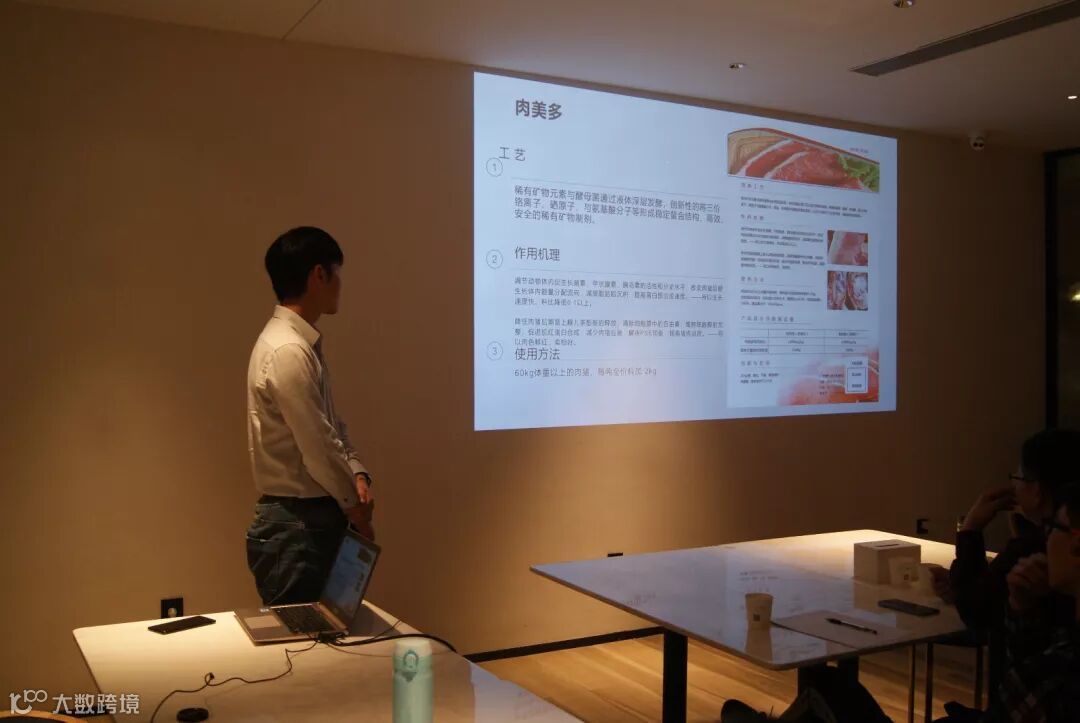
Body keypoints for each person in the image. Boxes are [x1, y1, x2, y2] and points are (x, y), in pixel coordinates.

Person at [245, 226, 375, 605]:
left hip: (304, 522)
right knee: (304, 635)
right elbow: (318, 444)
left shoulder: (299, 343)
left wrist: (357, 472)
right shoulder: (287, 349)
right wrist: (357, 509)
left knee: (319, 633)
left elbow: (331, 426)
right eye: (337, 272)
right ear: (319, 274)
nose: (341, 284)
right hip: (298, 526)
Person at [949, 429, 1080, 687]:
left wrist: (971, 528)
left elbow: (975, 609)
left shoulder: (1034, 551)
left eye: (1017, 478)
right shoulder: (1034, 542)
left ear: (1037, 490)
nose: (1013, 486)